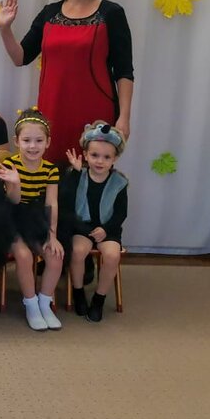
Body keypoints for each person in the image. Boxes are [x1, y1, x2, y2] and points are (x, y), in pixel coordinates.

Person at [0, 0, 134, 165]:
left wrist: (124, 118)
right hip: (52, 111)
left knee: (91, 174)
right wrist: (5, 28)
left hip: (96, 112)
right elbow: (20, 58)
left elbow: (124, 71)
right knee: (50, 175)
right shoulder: (49, 13)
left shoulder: (111, 13)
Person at [0, 107, 64, 331]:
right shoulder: (9, 166)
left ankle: (44, 303)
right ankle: (30, 304)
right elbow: (12, 202)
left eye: (39, 141)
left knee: (55, 256)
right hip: (11, 219)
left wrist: (52, 236)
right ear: (17, 141)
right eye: (27, 140)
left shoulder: (50, 170)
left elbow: (51, 203)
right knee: (23, 256)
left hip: (36, 220)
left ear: (48, 142)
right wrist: (16, 183)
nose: (33, 146)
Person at [61, 121, 128, 322]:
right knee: (78, 251)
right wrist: (74, 173)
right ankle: (78, 292)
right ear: (85, 154)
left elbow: (121, 214)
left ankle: (99, 299)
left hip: (108, 229)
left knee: (112, 255)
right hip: (82, 227)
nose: (100, 161)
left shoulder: (119, 182)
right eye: (95, 155)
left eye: (106, 157)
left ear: (115, 158)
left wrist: (106, 230)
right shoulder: (78, 175)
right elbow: (66, 203)